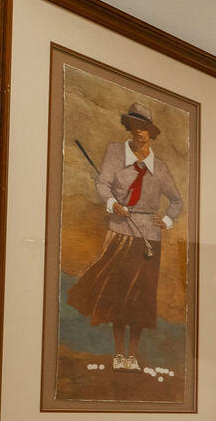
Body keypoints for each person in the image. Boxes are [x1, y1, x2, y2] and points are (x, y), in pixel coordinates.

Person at [68, 102, 182, 372]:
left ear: (150, 133)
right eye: (135, 126)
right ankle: (119, 355)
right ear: (129, 127)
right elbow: (102, 183)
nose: (139, 132)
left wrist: (165, 220)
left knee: (141, 298)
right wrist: (111, 203)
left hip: (148, 240)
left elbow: (176, 201)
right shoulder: (115, 152)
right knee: (118, 294)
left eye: (144, 128)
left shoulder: (161, 168)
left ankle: (134, 355)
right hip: (119, 230)